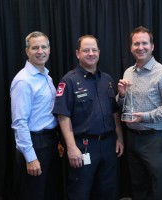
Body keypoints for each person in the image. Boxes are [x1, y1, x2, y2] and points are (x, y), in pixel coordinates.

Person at [52, 35, 124, 200]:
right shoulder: (68, 81)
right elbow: (63, 116)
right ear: (78, 53)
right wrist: (71, 147)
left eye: (94, 50)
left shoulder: (107, 80)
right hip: (83, 147)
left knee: (108, 191)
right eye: (86, 50)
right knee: (80, 192)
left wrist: (120, 137)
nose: (91, 53)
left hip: (108, 145)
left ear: (99, 52)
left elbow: (114, 112)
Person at [117, 26, 162, 200]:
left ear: (152, 46)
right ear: (131, 47)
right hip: (132, 137)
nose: (140, 47)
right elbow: (124, 104)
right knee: (138, 185)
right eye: (136, 43)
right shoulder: (128, 72)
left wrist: (146, 116)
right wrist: (122, 95)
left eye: (144, 43)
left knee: (159, 187)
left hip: (155, 138)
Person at [10, 31, 60, 200]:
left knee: (49, 191)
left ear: (49, 49)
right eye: (35, 47)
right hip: (34, 143)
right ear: (27, 51)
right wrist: (30, 158)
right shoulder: (24, 81)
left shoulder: (46, 76)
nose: (40, 51)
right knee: (34, 194)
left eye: (44, 47)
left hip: (49, 141)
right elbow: (19, 122)